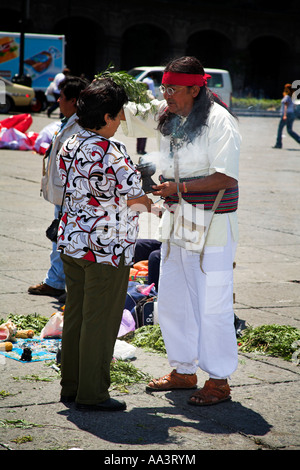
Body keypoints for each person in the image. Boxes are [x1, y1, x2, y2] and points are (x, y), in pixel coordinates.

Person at [122, 56, 241, 406]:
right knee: (173, 302)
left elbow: (225, 176)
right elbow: (126, 116)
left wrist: (180, 189)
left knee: (212, 305)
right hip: (177, 222)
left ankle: (218, 380)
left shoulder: (220, 121)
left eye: (173, 89)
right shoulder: (169, 111)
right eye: (164, 88)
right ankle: (183, 370)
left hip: (213, 226)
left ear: (195, 87)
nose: (166, 95)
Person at [56, 78, 152, 411]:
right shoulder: (112, 151)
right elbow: (136, 201)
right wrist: (156, 199)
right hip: (106, 251)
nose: (122, 119)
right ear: (108, 116)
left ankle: (70, 386)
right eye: (120, 113)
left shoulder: (70, 142)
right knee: (101, 322)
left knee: (78, 317)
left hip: (73, 242)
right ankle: (93, 394)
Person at [28, 76, 89, 299]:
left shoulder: (80, 125)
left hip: (70, 196)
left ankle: (58, 284)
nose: (58, 101)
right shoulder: (68, 121)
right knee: (59, 240)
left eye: (61, 97)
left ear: (73, 101)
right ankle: (55, 282)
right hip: (62, 194)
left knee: (63, 241)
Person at [273, 83, 300, 149]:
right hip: (291, 114)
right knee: (290, 130)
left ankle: (278, 144)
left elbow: (285, 106)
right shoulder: (293, 97)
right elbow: (294, 106)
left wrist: (284, 115)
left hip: (287, 114)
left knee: (280, 129)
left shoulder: (287, 97)